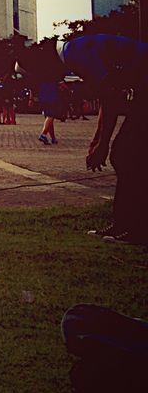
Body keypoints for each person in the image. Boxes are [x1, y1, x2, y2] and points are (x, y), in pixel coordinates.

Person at [57, 34, 148, 245]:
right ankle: (123, 224)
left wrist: (103, 145)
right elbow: (108, 98)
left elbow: (110, 97)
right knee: (125, 156)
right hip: (142, 90)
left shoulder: (76, 55)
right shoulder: (75, 49)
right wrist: (97, 142)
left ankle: (137, 228)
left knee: (126, 156)